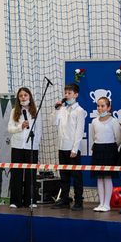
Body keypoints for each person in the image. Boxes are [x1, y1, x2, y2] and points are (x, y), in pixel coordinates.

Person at [52, 83, 87, 211]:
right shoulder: (62, 109)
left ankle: (79, 201)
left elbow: (79, 131)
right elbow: (54, 122)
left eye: (69, 93)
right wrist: (56, 109)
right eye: (65, 93)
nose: (67, 95)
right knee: (64, 175)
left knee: (76, 176)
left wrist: (75, 149)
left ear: (76, 95)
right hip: (62, 147)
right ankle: (65, 199)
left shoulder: (79, 111)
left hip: (72, 149)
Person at [7, 87, 42, 209]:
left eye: (25, 95)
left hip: (31, 147)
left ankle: (30, 200)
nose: (23, 97)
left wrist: (35, 145)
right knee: (16, 174)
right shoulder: (14, 111)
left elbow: (39, 130)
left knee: (30, 174)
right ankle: (15, 201)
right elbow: (10, 128)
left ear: (29, 96)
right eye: (21, 95)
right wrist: (20, 127)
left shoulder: (35, 111)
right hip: (17, 146)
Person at [90, 96, 121, 212]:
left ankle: (107, 204)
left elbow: (118, 138)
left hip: (110, 149)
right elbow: (93, 136)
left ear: (108, 107)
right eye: (98, 106)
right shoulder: (94, 121)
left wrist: (112, 148)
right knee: (99, 177)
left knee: (107, 177)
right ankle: (101, 203)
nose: (100, 108)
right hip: (98, 149)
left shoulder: (113, 121)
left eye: (103, 106)